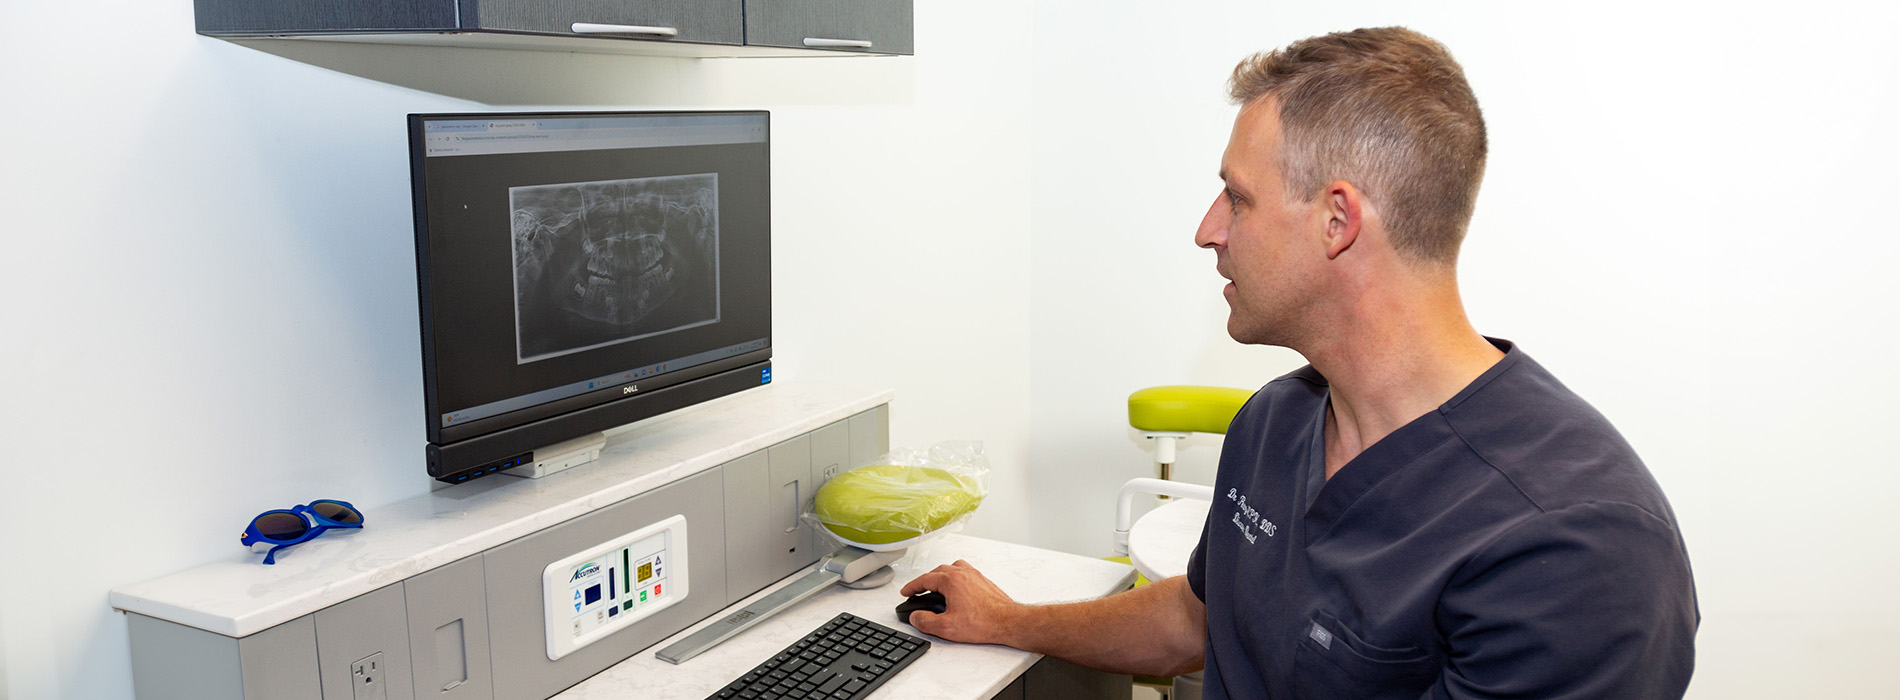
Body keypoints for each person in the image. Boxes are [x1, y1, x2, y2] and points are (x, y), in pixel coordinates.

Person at [900, 26, 1698, 699]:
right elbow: (1197, 619)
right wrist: (1006, 621)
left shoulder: (1576, 547)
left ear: (1338, 220)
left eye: (1237, 198)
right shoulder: (1276, 422)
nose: (1208, 230)